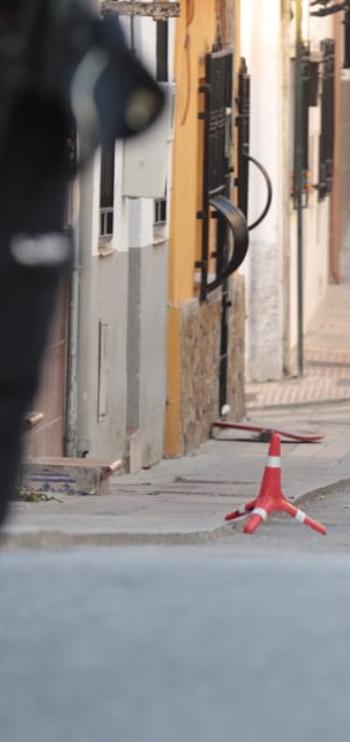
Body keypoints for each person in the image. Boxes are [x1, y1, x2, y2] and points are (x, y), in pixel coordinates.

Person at [0, 2, 164, 528]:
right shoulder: (62, 24)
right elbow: (140, 104)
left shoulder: (59, 25)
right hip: (29, 240)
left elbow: (140, 102)